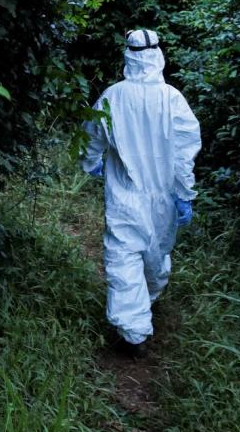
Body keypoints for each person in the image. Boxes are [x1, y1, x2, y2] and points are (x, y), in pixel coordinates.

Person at [81, 28, 202, 357]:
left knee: (141, 259)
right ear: (158, 56)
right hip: (161, 197)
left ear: (128, 58)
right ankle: (135, 334)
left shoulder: (113, 95)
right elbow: (184, 153)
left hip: (124, 195)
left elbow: (92, 134)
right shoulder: (172, 98)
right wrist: (184, 194)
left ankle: (139, 311)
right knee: (135, 257)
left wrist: (91, 162)